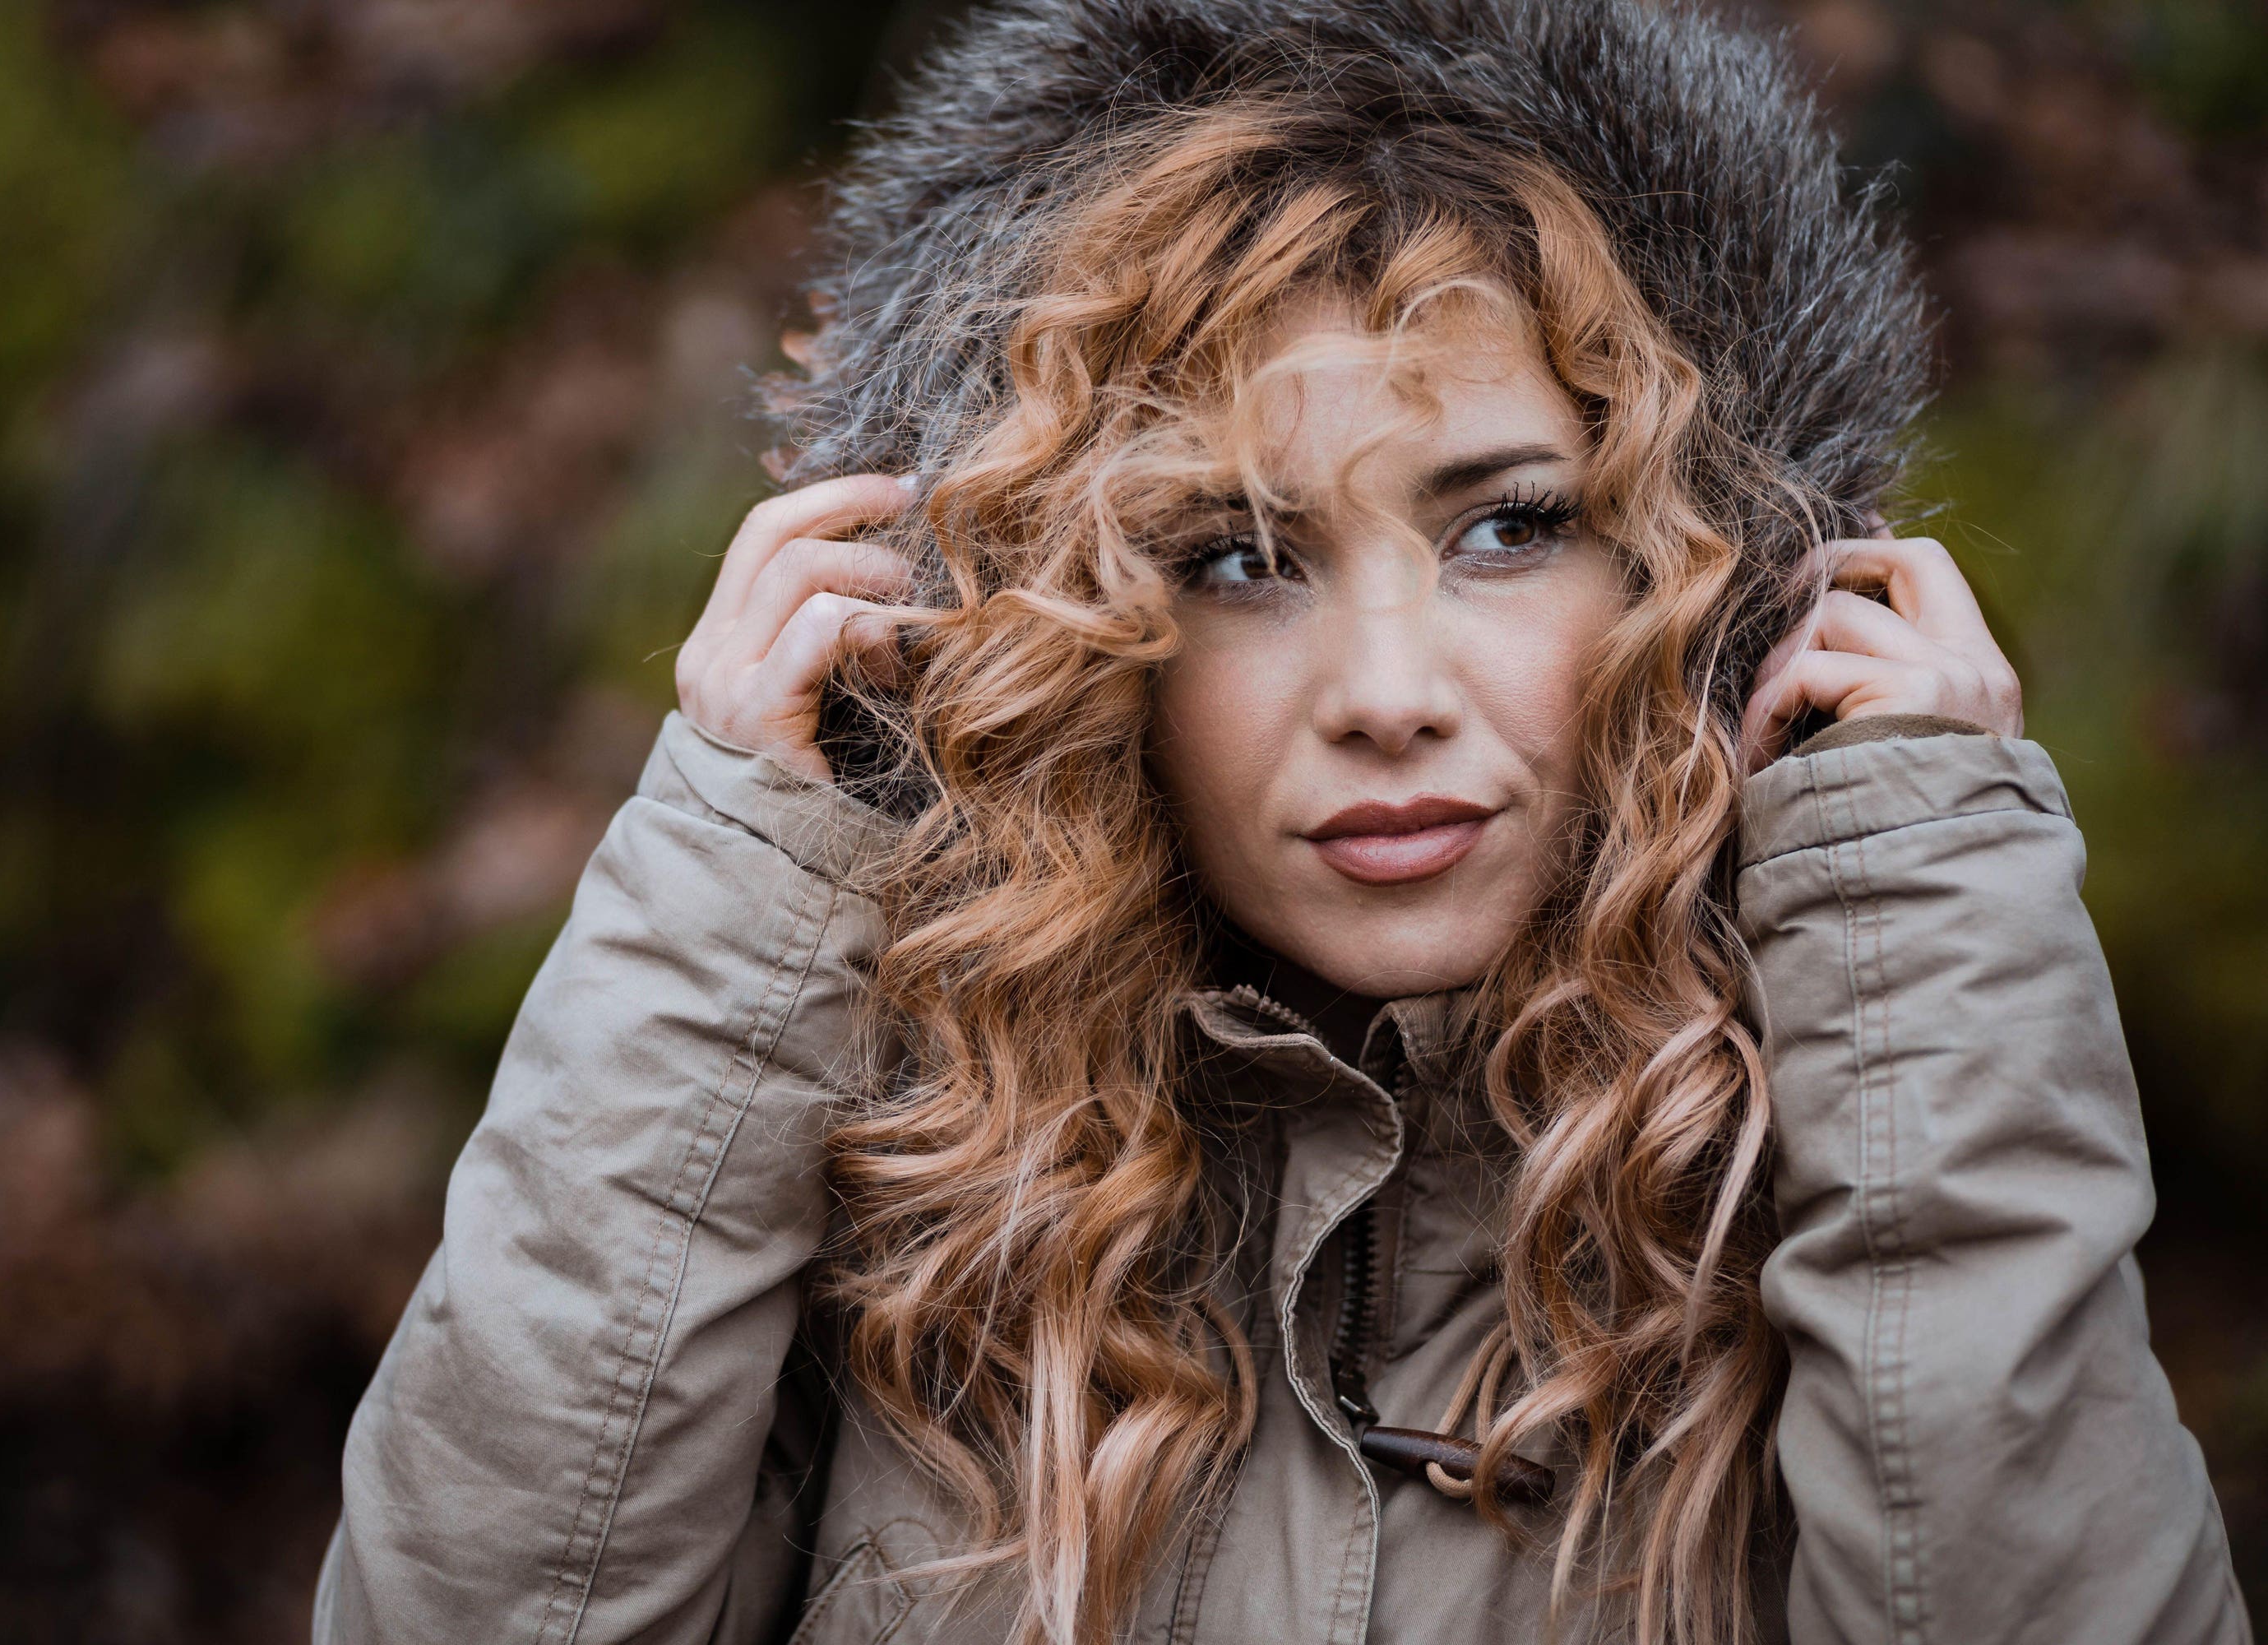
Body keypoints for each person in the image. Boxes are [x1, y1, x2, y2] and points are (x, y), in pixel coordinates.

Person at [311, 2, 2252, 1643]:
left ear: (1706, 563)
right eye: (1240, 555)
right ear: (1073, 618)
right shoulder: (887, 1161)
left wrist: (1920, 918)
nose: (1389, 691)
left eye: (1509, 526)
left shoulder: (1839, 1130)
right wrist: (729, 901)